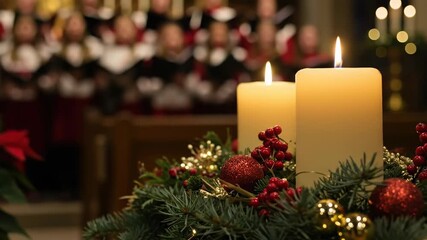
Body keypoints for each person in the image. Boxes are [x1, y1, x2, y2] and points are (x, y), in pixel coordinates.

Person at [97, 15, 151, 114]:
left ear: (134, 30)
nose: (124, 30)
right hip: (112, 106)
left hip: (137, 104)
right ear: (115, 31)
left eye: (128, 27)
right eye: (121, 28)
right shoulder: (106, 52)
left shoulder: (145, 51)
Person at [193, 20, 249, 113]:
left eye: (221, 33)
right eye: (215, 33)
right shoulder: (201, 55)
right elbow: (198, 76)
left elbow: (241, 77)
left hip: (230, 107)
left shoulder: (237, 55)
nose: (218, 36)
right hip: (205, 106)